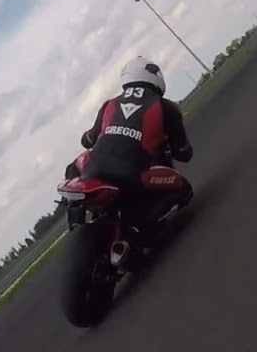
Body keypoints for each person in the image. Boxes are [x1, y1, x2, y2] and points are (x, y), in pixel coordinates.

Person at [66, 56, 194, 245]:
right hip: (134, 174)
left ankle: (75, 218)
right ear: (154, 77)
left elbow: (88, 140)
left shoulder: (109, 104)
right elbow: (183, 153)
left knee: (72, 167)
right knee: (184, 189)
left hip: (94, 167)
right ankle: (140, 226)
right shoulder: (166, 107)